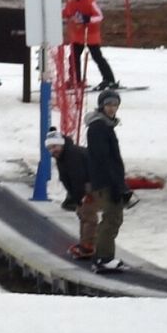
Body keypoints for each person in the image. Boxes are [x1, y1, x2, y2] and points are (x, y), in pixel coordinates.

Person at [86, 89, 130, 273]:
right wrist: (116, 185)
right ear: (102, 105)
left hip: (108, 181)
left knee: (113, 219)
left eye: (115, 105)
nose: (112, 108)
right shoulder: (99, 127)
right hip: (106, 182)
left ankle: (103, 256)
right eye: (109, 104)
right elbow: (103, 159)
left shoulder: (105, 125)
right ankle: (103, 258)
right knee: (111, 219)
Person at [45, 127, 98, 259]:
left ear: (61, 144)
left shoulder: (72, 155)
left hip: (92, 183)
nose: (53, 151)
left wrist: (82, 195)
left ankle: (88, 246)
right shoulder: (62, 155)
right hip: (84, 185)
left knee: (88, 215)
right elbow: (68, 178)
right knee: (82, 213)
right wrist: (76, 197)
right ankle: (85, 243)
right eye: (50, 148)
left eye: (55, 146)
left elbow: (78, 177)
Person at [63, 0, 119, 90]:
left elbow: (99, 16)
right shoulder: (71, 1)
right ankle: (75, 80)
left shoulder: (90, 1)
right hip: (78, 34)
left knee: (97, 56)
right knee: (73, 57)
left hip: (90, 35)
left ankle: (109, 80)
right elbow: (66, 13)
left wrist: (87, 19)